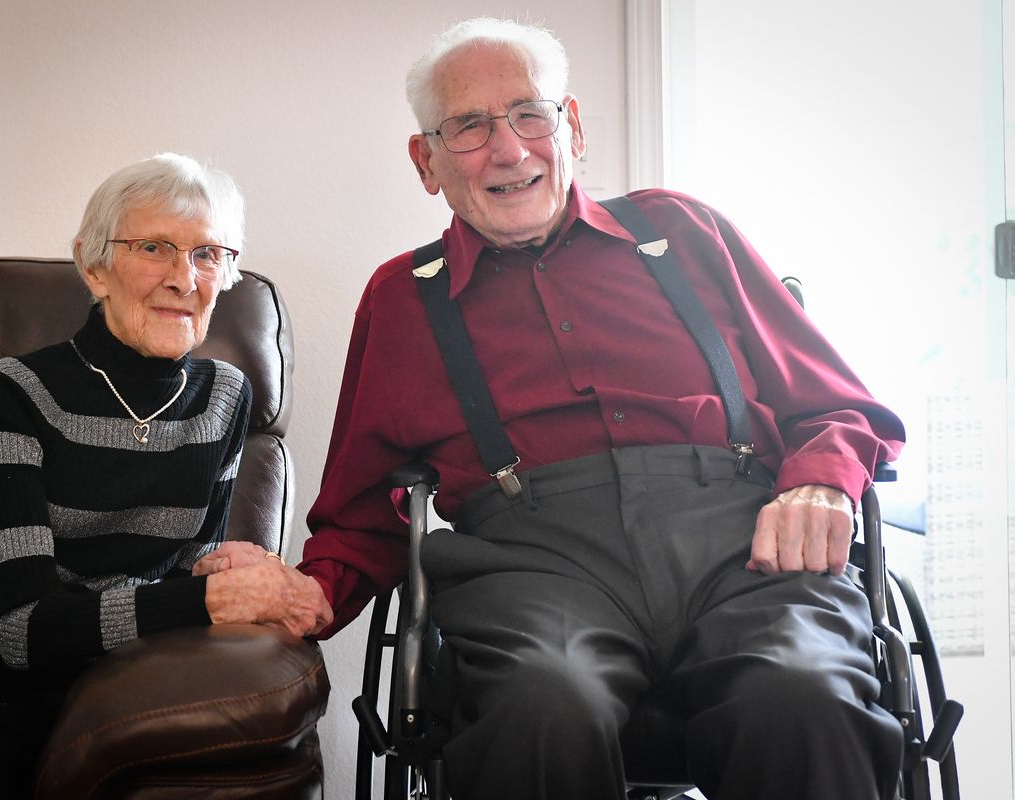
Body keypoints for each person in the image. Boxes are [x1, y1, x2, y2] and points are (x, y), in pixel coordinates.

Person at [224, 17, 904, 800]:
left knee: (802, 697)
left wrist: (818, 481)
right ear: (427, 162)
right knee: (545, 705)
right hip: (534, 569)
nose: (508, 150)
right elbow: (363, 508)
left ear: (571, 125)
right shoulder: (404, 300)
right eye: (469, 127)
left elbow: (837, 405)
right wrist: (314, 592)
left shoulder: (684, 231)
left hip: (741, 550)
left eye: (529, 114)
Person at [0, 152, 331, 799]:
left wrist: (234, 574)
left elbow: (184, 572)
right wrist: (211, 599)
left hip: (59, 683)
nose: (184, 278)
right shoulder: (20, 389)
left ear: (226, 273)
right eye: (154, 247)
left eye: (207, 254)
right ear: (94, 265)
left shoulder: (226, 400)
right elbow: (25, 628)